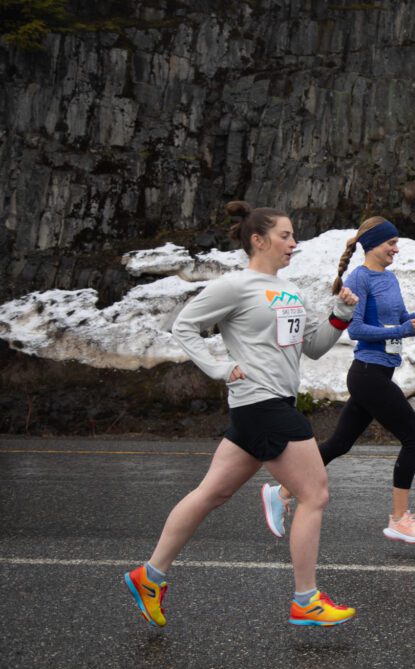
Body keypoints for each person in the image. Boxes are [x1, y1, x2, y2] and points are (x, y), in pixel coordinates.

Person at [123, 200, 360, 628]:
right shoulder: (234, 287)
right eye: (285, 235)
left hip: (272, 404)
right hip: (260, 402)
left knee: (210, 494)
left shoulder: (291, 292)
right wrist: (217, 367)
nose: (294, 243)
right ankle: (306, 599)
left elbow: (313, 347)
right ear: (258, 240)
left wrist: (340, 314)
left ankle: (150, 575)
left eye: (293, 235)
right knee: (314, 494)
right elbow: (184, 327)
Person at [262, 216, 415, 545]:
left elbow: (400, 320)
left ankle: (281, 492)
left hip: (378, 373)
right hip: (367, 374)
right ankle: (398, 520)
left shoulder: (389, 279)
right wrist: (404, 329)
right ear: (373, 245)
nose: (396, 248)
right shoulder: (359, 279)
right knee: (414, 439)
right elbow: (358, 329)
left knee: (339, 444)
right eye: (391, 243)